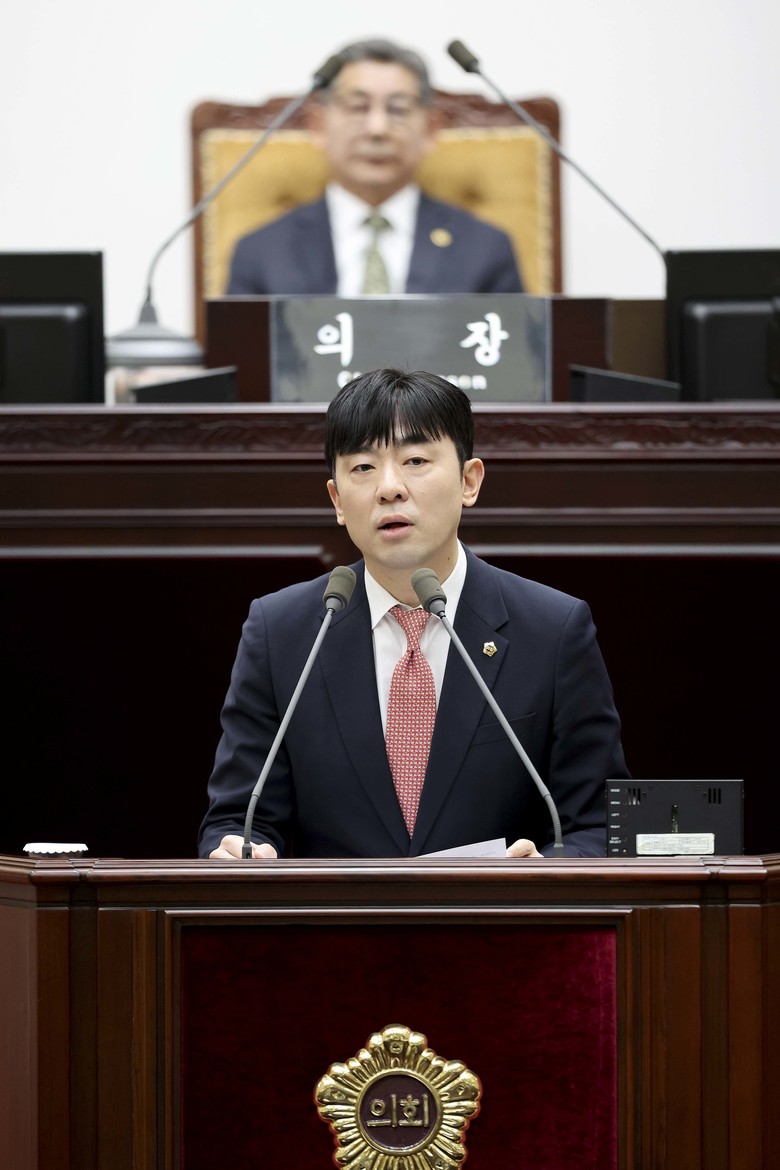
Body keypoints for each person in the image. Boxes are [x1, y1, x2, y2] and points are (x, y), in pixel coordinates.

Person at [199, 368, 629, 861]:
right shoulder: (281, 631)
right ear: (337, 500)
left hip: (503, 910)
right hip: (336, 913)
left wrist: (545, 873)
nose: (389, 488)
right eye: (363, 467)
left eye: (416, 460)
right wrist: (238, 850)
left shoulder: (553, 629)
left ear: (469, 481)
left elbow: (599, 825)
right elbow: (239, 819)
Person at [226, 38, 524, 297]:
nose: (377, 129)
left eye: (398, 109)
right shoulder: (261, 251)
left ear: (431, 129)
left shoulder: (485, 248)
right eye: (358, 107)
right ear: (318, 125)